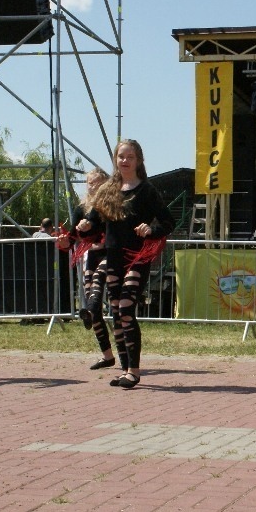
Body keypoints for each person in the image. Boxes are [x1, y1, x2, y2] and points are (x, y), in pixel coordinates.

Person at [77, 139, 176, 389]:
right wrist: (86, 226)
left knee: (125, 307)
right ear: (115, 159)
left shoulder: (147, 191)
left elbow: (167, 221)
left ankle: (134, 370)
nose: (124, 160)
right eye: (121, 156)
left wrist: (150, 229)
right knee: (116, 313)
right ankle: (124, 369)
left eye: (129, 156)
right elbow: (95, 222)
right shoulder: (108, 189)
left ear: (139, 160)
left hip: (138, 256)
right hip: (113, 257)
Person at [58, 167, 115, 370]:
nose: (93, 187)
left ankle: (89, 311)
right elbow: (73, 235)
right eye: (90, 183)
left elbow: (110, 229)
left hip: (110, 253)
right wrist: (65, 240)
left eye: (98, 183)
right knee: (92, 294)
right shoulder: (80, 209)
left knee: (98, 281)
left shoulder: (111, 207)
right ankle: (107, 355)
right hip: (90, 254)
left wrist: (91, 227)